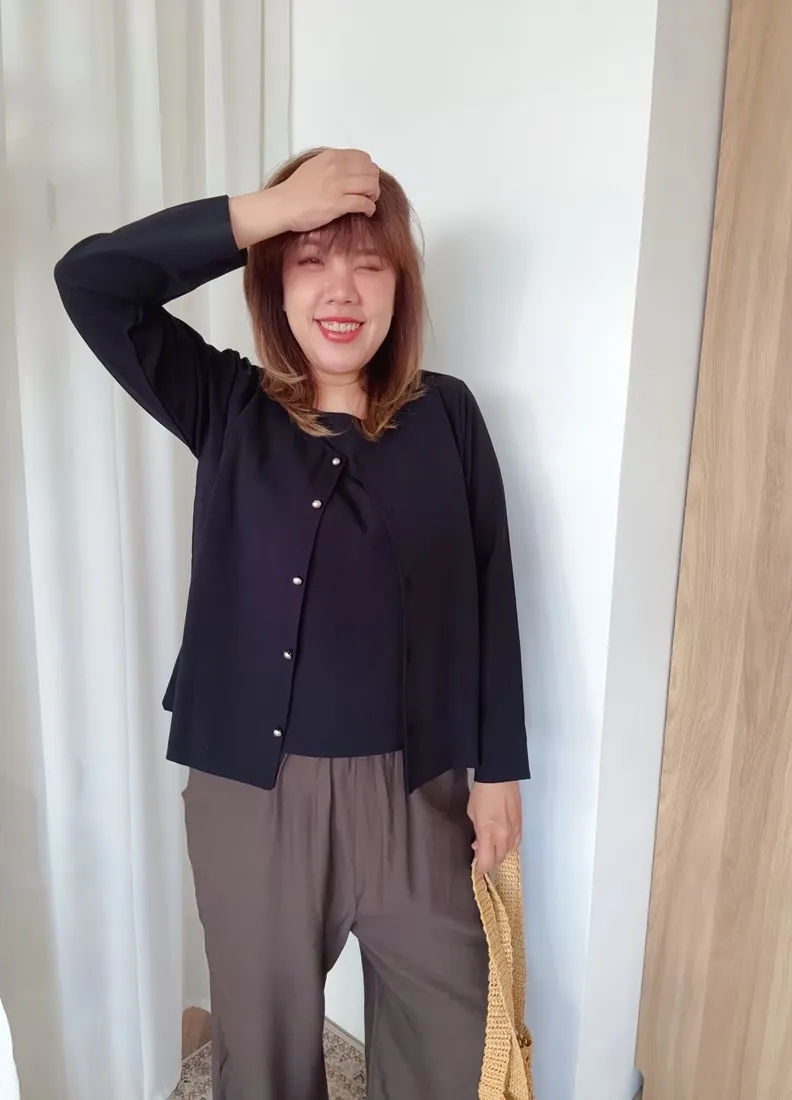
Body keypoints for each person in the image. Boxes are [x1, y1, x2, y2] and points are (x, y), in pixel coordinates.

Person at [54, 148, 529, 1100]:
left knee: (455, 1050)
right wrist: (264, 211)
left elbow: (489, 589)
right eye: (310, 261)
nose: (340, 290)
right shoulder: (228, 404)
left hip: (419, 794)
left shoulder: (448, 416)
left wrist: (498, 772)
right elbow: (93, 282)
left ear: (400, 286)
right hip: (253, 797)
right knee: (263, 1060)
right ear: (273, 278)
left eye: (368, 264)